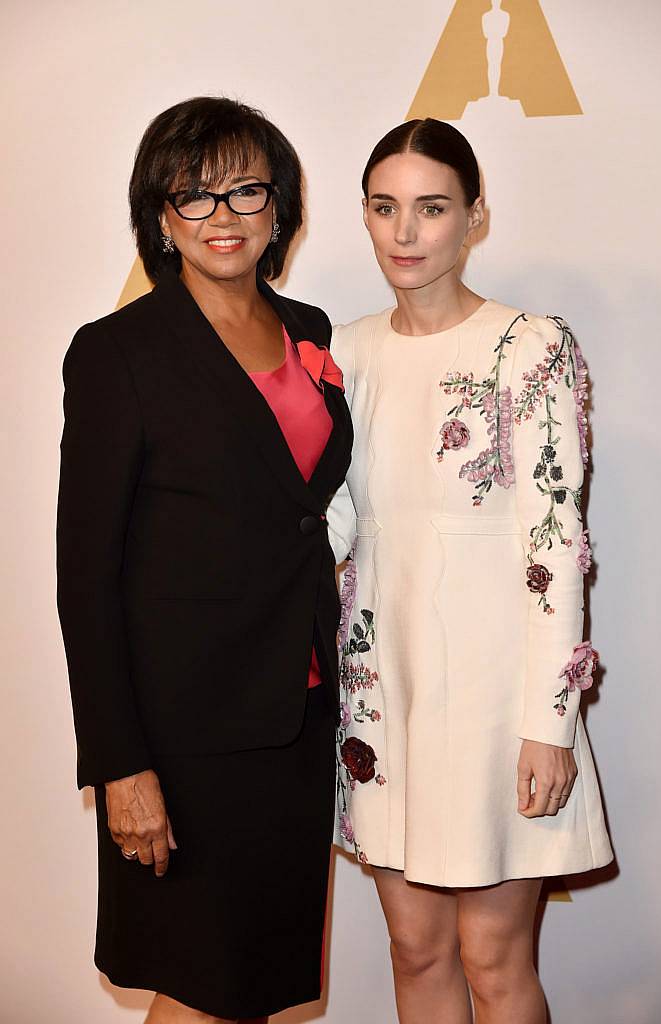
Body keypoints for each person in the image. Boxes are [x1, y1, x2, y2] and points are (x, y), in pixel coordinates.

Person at [57, 96, 352, 1024]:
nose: (221, 217)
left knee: (258, 987)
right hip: (182, 730)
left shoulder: (310, 327)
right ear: (159, 217)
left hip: (297, 710)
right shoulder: (118, 353)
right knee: (201, 991)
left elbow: (301, 509)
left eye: (244, 191)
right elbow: (86, 578)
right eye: (193, 196)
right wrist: (120, 764)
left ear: (279, 209)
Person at [327, 118, 613, 1024]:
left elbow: (556, 543)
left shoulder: (531, 347)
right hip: (382, 692)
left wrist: (548, 720)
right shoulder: (343, 352)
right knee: (415, 952)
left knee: (492, 958)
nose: (405, 234)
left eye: (432, 208)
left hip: (498, 697)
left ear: (474, 216)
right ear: (365, 218)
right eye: (385, 208)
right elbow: (329, 529)